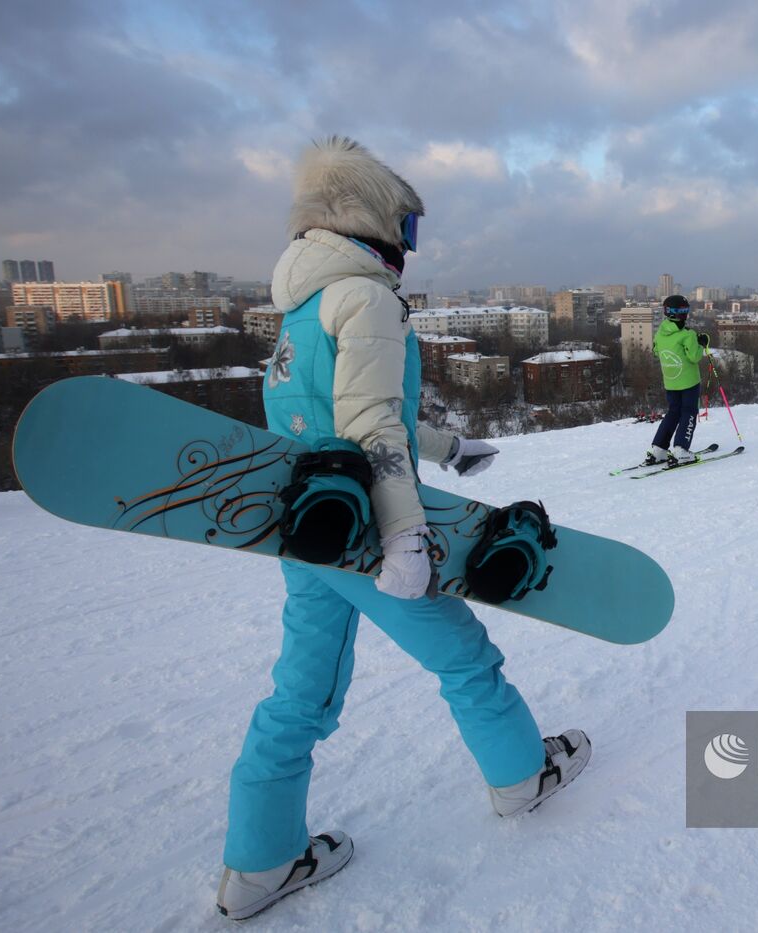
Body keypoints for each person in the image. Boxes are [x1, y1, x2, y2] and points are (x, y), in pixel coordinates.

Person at [217, 137, 590, 922]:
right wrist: (403, 538)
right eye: (407, 231)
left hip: (308, 532)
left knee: (300, 695)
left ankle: (259, 860)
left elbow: (329, 419)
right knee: (465, 656)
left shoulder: (300, 308)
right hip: (368, 535)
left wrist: (450, 446)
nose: (408, 253)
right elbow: (367, 422)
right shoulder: (367, 297)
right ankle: (524, 776)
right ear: (374, 221)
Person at [647, 294, 708, 462]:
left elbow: (656, 352)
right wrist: (701, 344)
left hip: (671, 382)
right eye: (684, 311)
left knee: (673, 412)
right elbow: (694, 357)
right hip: (689, 383)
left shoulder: (660, 334)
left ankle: (659, 449)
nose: (686, 314)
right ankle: (681, 449)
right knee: (689, 412)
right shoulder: (687, 335)